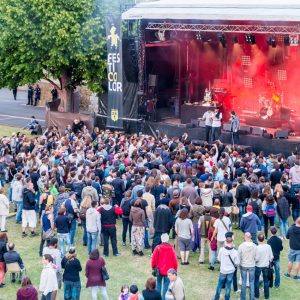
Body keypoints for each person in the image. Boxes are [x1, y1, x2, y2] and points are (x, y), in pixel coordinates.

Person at [213, 232, 240, 300]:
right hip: (231, 271)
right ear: (232, 240)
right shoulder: (235, 252)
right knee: (228, 286)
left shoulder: (222, 250)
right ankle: (227, 298)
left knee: (219, 285)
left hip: (223, 270)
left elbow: (219, 259)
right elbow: (237, 263)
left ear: (225, 240)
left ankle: (216, 298)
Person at [151, 233, 178, 300]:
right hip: (168, 271)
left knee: (158, 285)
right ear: (168, 240)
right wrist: (175, 269)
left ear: (161, 239)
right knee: (166, 287)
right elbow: (175, 260)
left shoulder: (158, 248)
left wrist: (153, 266)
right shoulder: (171, 248)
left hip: (159, 270)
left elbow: (153, 259)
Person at [238, 232, 257, 300]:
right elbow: (257, 257)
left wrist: (240, 263)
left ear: (245, 237)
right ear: (250, 237)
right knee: (252, 282)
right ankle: (252, 298)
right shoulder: (255, 246)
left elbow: (238, 257)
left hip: (243, 265)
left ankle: (242, 298)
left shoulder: (241, 246)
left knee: (244, 282)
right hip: (252, 265)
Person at [254, 233, 274, 300]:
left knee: (256, 281)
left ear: (257, 240)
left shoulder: (256, 248)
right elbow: (271, 257)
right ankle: (267, 296)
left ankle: (257, 296)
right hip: (266, 266)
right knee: (266, 281)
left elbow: (256, 259)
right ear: (264, 239)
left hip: (258, 266)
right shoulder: (268, 246)